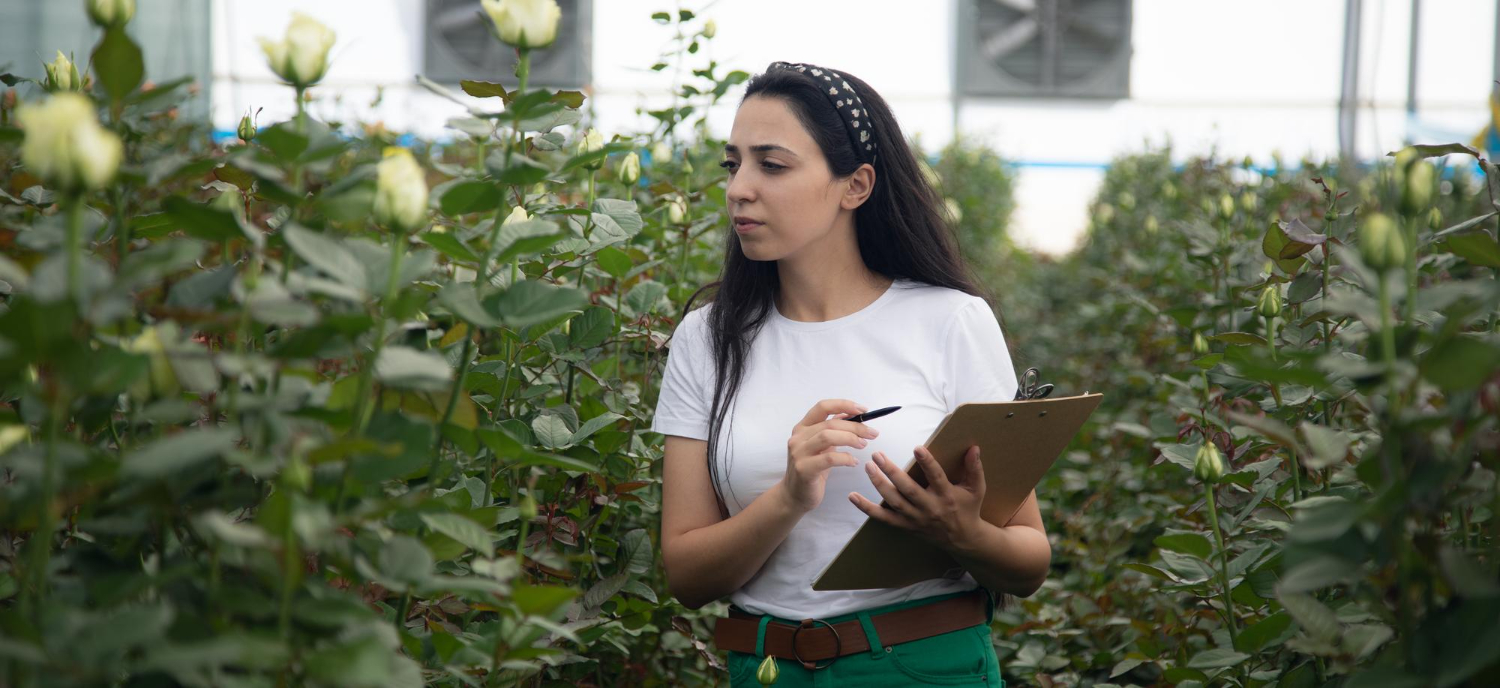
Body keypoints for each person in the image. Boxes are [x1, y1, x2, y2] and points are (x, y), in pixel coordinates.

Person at [650, 61, 1050, 687]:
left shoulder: (949, 321)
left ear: (856, 185)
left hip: (927, 668)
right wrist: (787, 497)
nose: (739, 188)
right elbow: (686, 576)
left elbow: (1028, 561)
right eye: (733, 165)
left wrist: (959, 530)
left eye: (771, 165)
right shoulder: (706, 340)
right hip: (767, 671)